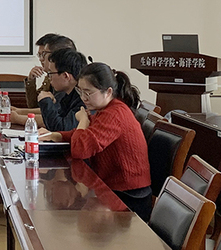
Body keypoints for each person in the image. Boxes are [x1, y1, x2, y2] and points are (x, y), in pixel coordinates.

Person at [40, 63, 152, 221]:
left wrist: (83, 120)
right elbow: (85, 135)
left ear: (108, 92)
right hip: (114, 188)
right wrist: (54, 135)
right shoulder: (105, 110)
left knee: (78, 216)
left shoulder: (115, 114)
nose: (83, 98)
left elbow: (80, 149)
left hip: (129, 197)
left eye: (88, 92)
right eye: (80, 91)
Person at [11, 48, 87, 131]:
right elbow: (56, 119)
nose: (49, 78)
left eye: (50, 73)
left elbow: (60, 128)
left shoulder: (84, 98)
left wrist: (46, 101)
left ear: (66, 76)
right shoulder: (68, 95)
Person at [24, 34, 77, 108]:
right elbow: (35, 105)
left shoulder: (64, 78)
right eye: (39, 55)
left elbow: (54, 110)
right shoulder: (50, 76)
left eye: (44, 54)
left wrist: (19, 113)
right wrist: (31, 81)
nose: (41, 59)